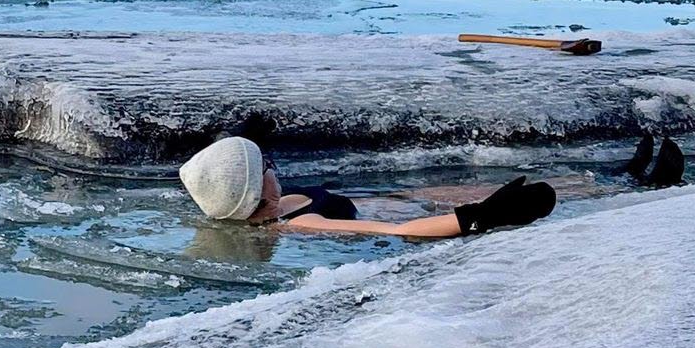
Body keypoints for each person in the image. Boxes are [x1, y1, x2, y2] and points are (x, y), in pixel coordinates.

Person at [177, 136, 556, 239]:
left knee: (576, 185)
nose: (275, 169)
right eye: (268, 167)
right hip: (410, 216)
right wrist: (480, 216)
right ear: (257, 191)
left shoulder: (283, 200)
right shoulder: (300, 224)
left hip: (404, 201)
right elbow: (394, 230)